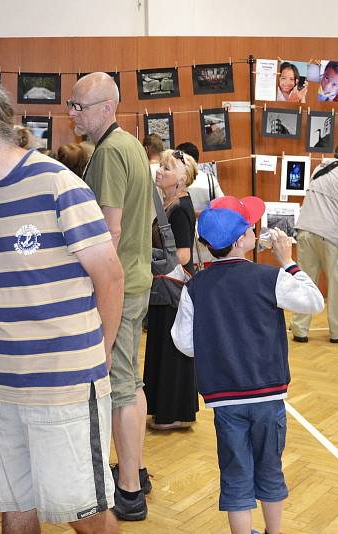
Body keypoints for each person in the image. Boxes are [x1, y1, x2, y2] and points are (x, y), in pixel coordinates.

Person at [0, 76, 124, 533]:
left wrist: (101, 354)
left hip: (64, 383)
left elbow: (110, 279)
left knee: (85, 515)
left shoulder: (59, 185)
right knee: (13, 507)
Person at [171, 196, 324, 534]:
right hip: (268, 397)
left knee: (236, 474)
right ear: (241, 240)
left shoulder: (195, 288)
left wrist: (218, 348)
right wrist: (288, 262)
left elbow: (183, 342)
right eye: (251, 227)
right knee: (270, 469)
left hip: (224, 399)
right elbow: (315, 302)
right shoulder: (270, 278)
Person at [69, 72, 154, 520]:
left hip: (121, 284)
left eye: (79, 106)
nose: (71, 114)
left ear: (106, 108)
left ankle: (129, 492)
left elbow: (110, 229)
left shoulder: (108, 154)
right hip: (137, 279)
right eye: (71, 104)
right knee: (130, 381)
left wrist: (99, 288)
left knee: (120, 385)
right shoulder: (130, 146)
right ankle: (135, 469)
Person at [290, 139, 338, 343]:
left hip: (305, 230)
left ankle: (299, 329)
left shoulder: (319, 169)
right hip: (332, 236)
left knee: (306, 282)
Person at [143, 149, 198, 431]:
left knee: (171, 349)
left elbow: (184, 255)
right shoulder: (171, 204)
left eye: (166, 168)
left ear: (181, 179)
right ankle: (165, 409)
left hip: (172, 288)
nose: (160, 171)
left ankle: (174, 413)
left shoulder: (180, 208)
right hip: (165, 287)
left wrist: (152, 256)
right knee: (163, 349)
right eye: (160, 167)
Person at [179, 141, 224, 268]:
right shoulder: (210, 179)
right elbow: (222, 205)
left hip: (183, 238)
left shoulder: (176, 181)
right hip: (207, 235)